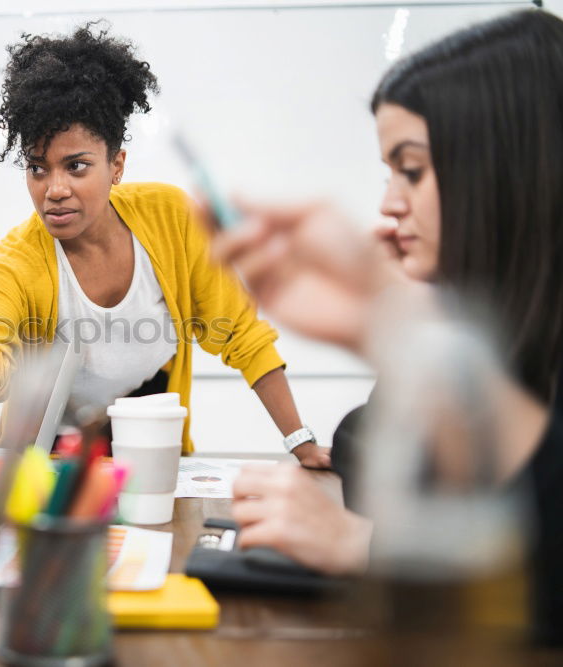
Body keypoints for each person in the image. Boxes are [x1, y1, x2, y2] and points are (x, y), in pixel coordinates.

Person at [0, 23, 327, 544]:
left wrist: (301, 442)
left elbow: (242, 335)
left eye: (76, 166)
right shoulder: (15, 265)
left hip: (151, 476)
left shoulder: (172, 221)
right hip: (44, 487)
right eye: (37, 168)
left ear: (117, 165)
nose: (54, 190)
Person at [215, 9, 563, 643]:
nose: (387, 204)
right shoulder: (490, 330)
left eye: (412, 169)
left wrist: (371, 547)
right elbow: (362, 441)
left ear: (504, 168)